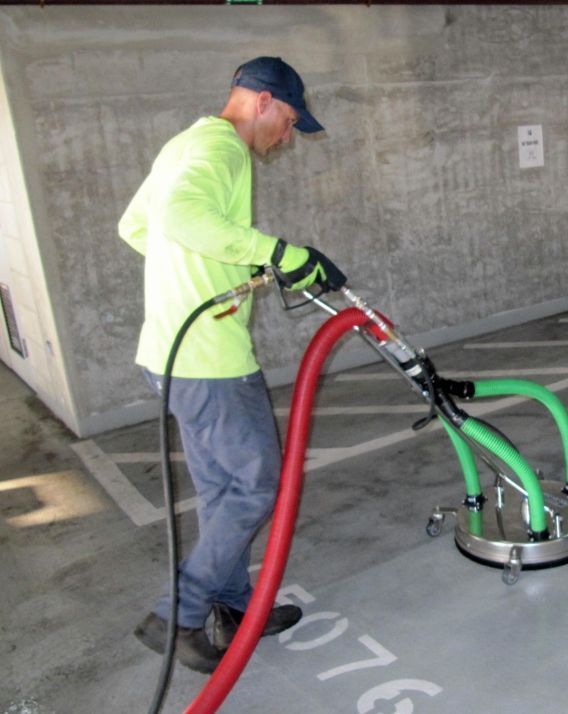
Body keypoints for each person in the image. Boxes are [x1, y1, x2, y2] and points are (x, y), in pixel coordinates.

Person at [118, 56, 346, 674]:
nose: (287, 137)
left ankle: (238, 606)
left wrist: (220, 266)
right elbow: (181, 219)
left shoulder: (183, 144)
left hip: (168, 354)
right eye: (290, 121)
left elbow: (136, 226)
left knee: (223, 489)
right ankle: (179, 613)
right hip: (210, 360)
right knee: (255, 486)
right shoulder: (223, 149)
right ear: (263, 101)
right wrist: (281, 253)